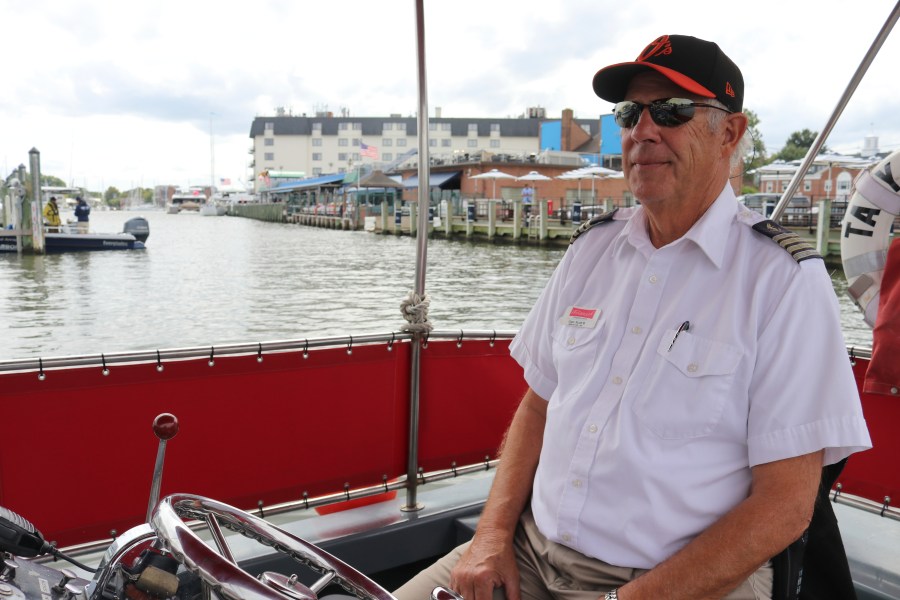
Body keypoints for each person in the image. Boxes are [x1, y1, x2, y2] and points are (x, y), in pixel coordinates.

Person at [394, 34, 871, 600]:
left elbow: (785, 506)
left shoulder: (783, 280)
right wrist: (492, 537)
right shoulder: (591, 251)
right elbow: (538, 405)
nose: (643, 129)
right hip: (529, 549)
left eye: (671, 110)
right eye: (629, 112)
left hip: (683, 580)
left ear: (730, 133)